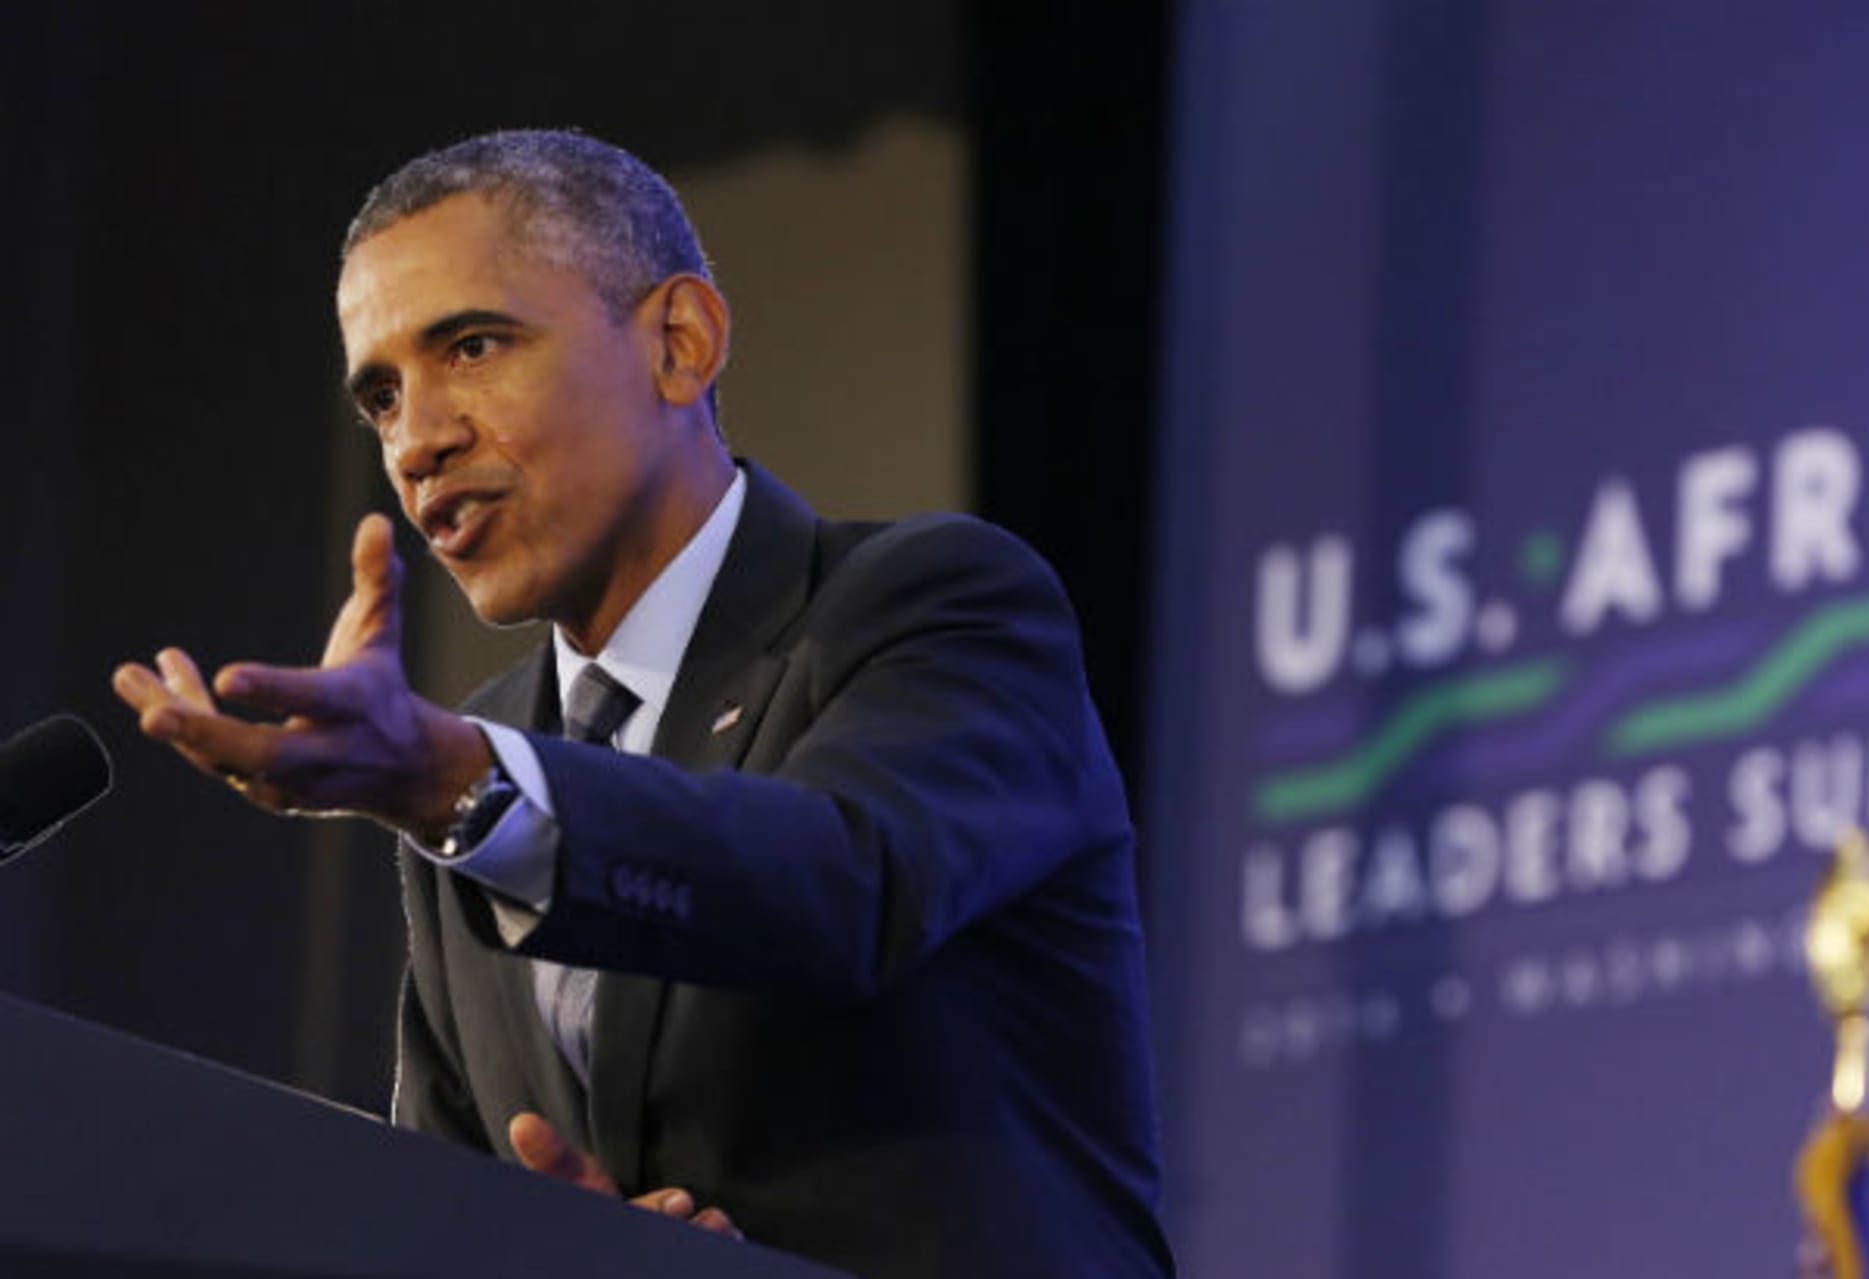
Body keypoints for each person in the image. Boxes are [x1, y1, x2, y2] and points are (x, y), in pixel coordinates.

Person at [112, 129, 1173, 1279]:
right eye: (381, 397)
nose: (416, 441)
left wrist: (454, 785)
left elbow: (844, 882)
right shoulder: (482, 764)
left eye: (472, 345)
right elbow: (443, 1205)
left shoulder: (933, 605)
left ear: (680, 342)